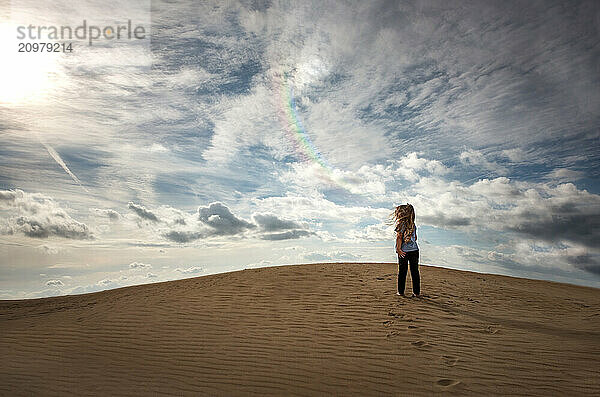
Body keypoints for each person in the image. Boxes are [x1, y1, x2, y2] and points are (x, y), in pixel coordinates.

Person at [391, 204, 420, 297]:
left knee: (402, 272)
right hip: (415, 250)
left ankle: (400, 292)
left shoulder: (401, 224)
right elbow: (415, 238)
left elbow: (399, 237)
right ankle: (416, 293)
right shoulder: (413, 225)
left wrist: (398, 249)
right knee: (414, 271)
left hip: (404, 251)